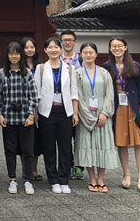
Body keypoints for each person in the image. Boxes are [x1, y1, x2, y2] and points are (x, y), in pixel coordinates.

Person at [102, 37, 140, 193]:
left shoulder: (135, 65)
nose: (117, 48)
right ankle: (126, 174)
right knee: (122, 143)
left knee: (138, 142)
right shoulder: (106, 66)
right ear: (110, 49)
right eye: (114, 46)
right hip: (118, 108)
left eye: (120, 46)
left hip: (133, 107)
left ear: (125, 47)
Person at [72, 43, 117, 193]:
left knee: (102, 145)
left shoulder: (104, 73)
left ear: (96, 54)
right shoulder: (77, 73)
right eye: (85, 52)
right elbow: (78, 96)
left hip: (103, 114)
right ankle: (92, 179)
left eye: (91, 52)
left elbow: (110, 94)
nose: (88, 55)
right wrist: (88, 117)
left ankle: (101, 179)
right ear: (81, 55)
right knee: (88, 147)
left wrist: (105, 113)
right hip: (85, 116)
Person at [35, 37, 78, 194]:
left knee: (65, 146)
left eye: (56, 47)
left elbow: (74, 92)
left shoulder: (69, 68)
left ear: (60, 49)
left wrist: (75, 113)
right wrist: (35, 113)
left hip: (65, 112)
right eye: (50, 47)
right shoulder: (41, 68)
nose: (53, 50)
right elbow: (37, 92)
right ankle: (53, 180)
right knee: (49, 147)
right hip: (46, 112)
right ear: (45, 50)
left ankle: (64, 179)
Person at [0, 42, 38, 196]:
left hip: (25, 118)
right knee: (10, 149)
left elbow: (33, 95)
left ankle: (28, 179)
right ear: (7, 55)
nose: (14, 56)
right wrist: (0, 114)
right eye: (11, 53)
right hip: (8, 118)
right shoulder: (2, 73)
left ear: (21, 55)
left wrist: (31, 115)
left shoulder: (27, 73)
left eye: (17, 53)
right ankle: (12, 179)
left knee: (28, 150)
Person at [60, 30, 84, 181]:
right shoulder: (56, 60)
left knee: (79, 136)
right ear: (61, 42)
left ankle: (79, 166)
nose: (67, 42)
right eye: (64, 40)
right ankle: (68, 165)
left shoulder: (82, 60)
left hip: (80, 104)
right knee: (65, 137)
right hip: (62, 104)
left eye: (70, 40)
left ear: (75, 42)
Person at [20, 36, 43, 181]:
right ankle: (25, 168)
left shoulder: (41, 66)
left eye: (32, 47)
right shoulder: (18, 66)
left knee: (36, 140)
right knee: (24, 140)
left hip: (40, 107)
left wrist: (36, 111)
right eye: (26, 47)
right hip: (23, 108)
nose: (29, 50)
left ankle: (34, 169)